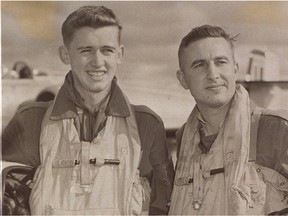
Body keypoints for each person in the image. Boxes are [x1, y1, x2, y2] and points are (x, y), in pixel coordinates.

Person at [2, 5, 174, 215]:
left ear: (119, 54)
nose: (97, 62)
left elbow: (165, 205)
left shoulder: (147, 126)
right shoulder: (29, 123)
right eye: (86, 50)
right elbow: (9, 202)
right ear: (65, 55)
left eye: (107, 50)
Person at [168, 25, 288, 215]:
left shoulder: (277, 131)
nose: (213, 75)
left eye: (221, 62)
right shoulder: (184, 140)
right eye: (200, 65)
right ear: (183, 79)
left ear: (235, 69)